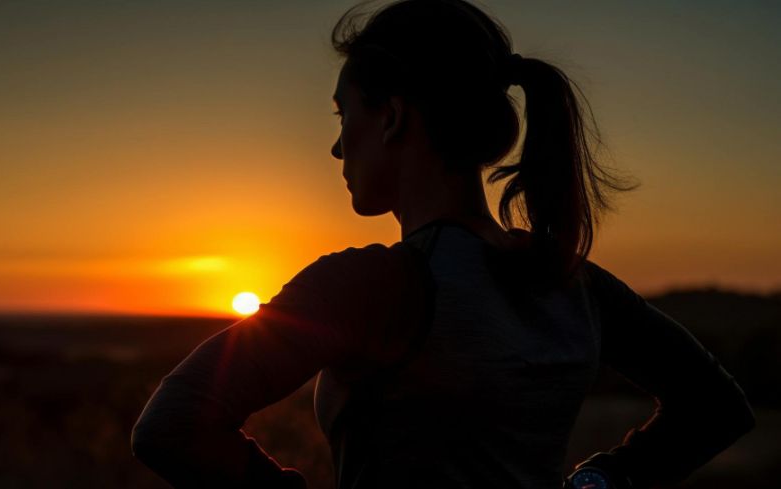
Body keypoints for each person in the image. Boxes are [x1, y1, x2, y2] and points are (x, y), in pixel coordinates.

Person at [130, 1, 755, 488]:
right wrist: (603, 481)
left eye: (342, 116)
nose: (338, 146)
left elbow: (172, 426)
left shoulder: (372, 285)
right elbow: (715, 407)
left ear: (394, 117)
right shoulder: (574, 283)